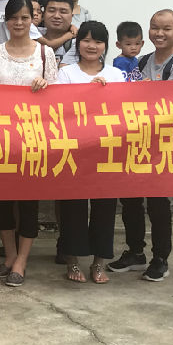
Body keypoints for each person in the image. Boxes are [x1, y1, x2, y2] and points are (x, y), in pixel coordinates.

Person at [110, 9, 173, 282]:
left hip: (162, 145)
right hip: (137, 140)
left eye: (166, 28)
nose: (159, 33)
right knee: (130, 199)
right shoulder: (142, 60)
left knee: (158, 203)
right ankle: (135, 251)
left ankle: (160, 258)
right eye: (155, 27)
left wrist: (145, 92)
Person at [0, 0, 57, 287]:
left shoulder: (45, 53)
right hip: (0, 139)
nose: (19, 23)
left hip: (33, 139)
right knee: (2, 201)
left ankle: (22, 260)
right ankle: (10, 256)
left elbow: (58, 97)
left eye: (25, 17)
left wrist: (45, 87)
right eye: (13, 18)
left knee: (28, 202)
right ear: (6, 21)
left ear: (33, 20)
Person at [55, 21, 125, 284]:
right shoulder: (66, 73)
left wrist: (104, 94)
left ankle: (99, 263)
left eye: (97, 41)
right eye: (85, 40)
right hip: (75, 150)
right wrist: (87, 94)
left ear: (105, 45)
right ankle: (72, 261)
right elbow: (59, 108)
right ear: (77, 43)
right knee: (72, 207)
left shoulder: (116, 75)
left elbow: (125, 110)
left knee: (105, 208)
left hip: (106, 151)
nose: (91, 46)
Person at [40, 0, 78, 66]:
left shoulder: (77, 43)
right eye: (51, 11)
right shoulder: (31, 35)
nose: (57, 16)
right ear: (43, 14)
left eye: (63, 12)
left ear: (72, 16)